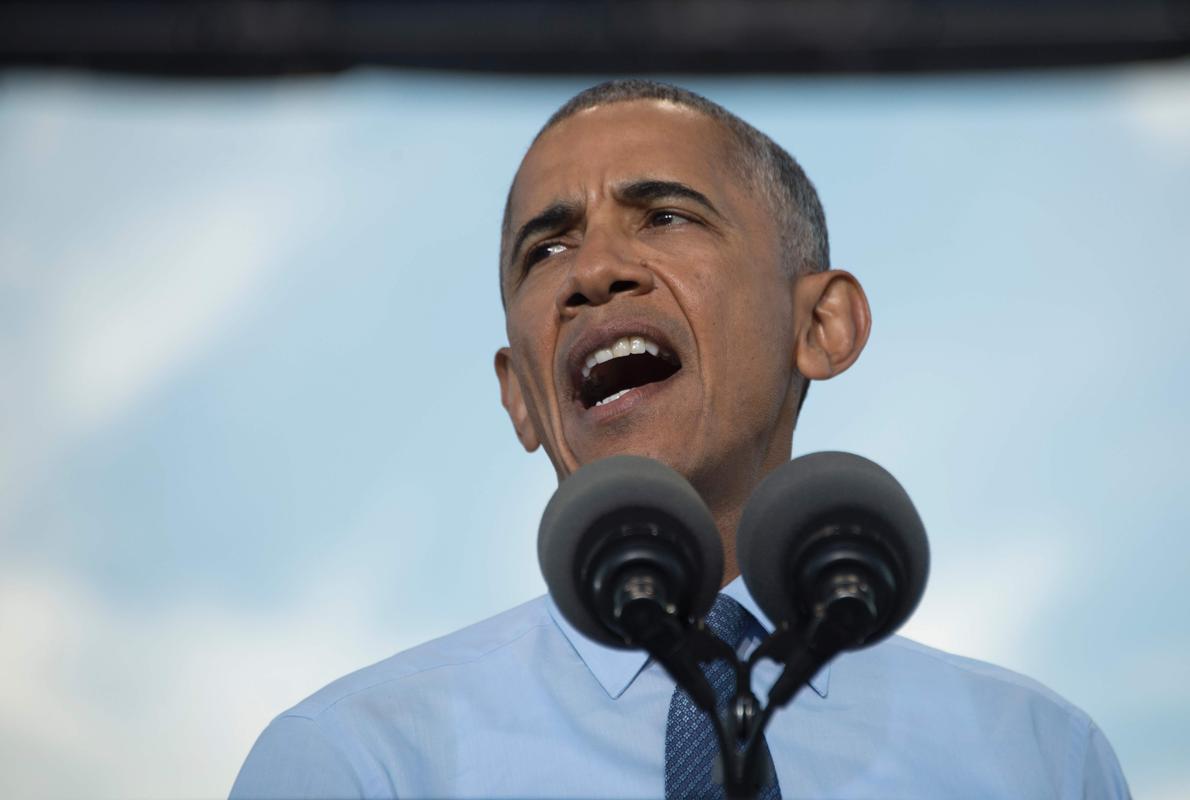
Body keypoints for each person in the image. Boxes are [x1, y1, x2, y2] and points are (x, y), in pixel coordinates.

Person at [230, 80, 1130, 799]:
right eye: (545, 250)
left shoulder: (1039, 761)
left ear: (822, 326)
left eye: (664, 216)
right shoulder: (358, 763)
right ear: (521, 399)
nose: (591, 273)